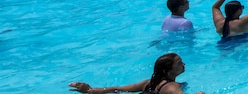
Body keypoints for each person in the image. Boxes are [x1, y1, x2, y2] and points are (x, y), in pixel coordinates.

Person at [69, 53, 204, 94]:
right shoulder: (172, 87)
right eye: (179, 63)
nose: (184, 64)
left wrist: (90, 90)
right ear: (167, 71)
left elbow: (117, 89)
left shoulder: (149, 83)